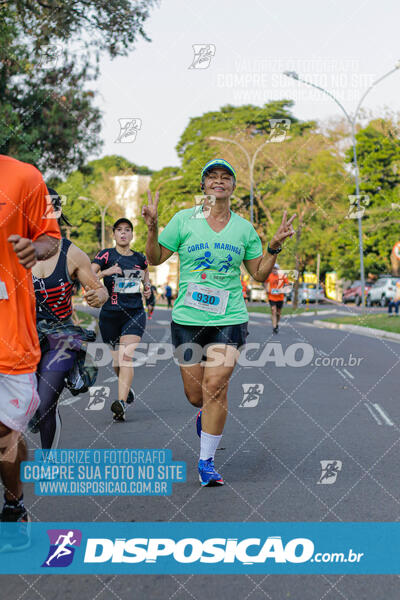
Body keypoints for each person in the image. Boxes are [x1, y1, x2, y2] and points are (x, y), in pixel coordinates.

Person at [142, 158, 295, 486]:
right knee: (196, 396)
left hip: (229, 318)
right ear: (203, 185)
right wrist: (153, 227)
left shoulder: (243, 229)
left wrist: (274, 246)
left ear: (233, 187)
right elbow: (154, 259)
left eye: (225, 177)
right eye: (212, 177)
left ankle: (206, 461)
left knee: (215, 387)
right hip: (186, 319)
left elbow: (258, 275)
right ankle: (205, 416)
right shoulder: (184, 221)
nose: (218, 181)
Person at [0, 155, 61, 544]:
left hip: (10, 336)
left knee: (5, 434)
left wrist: (33, 249)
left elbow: (50, 237)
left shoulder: (24, 175)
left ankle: (13, 501)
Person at [30, 188, 108, 449]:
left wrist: (99, 295)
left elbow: (99, 288)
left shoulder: (72, 254)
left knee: (45, 401)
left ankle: (48, 461)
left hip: (61, 337)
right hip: (24, 337)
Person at [92, 218, 151, 422]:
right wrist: (107, 271)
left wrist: (148, 288)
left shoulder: (140, 258)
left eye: (127, 230)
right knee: (117, 363)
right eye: (119, 230)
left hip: (134, 314)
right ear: (114, 234)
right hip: (110, 316)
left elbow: (146, 275)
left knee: (126, 357)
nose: (123, 233)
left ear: (132, 234)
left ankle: (121, 404)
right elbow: (89, 273)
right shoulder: (106, 254)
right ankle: (127, 391)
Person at [264, 263, 289, 334]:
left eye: (276, 268)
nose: (274, 270)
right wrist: (266, 289)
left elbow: (287, 284)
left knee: (278, 313)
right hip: (271, 297)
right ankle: (274, 326)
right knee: (273, 310)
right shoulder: (270, 275)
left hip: (280, 297)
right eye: (273, 268)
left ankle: (277, 323)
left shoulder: (282, 276)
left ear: (278, 269)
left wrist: (283, 290)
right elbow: (265, 282)